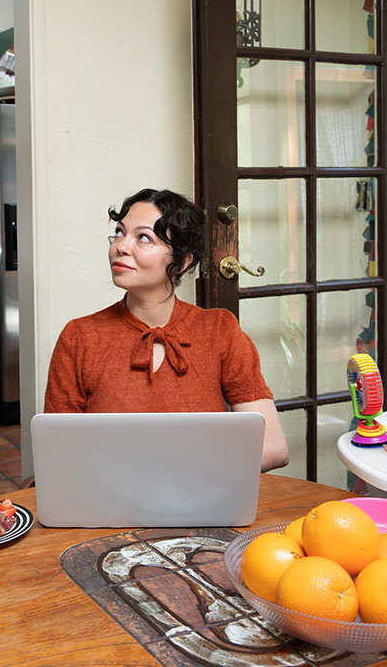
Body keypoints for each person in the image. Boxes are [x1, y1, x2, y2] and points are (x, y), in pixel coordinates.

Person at [44, 188, 290, 472]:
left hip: (202, 501)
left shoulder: (219, 330)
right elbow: (58, 453)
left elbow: (272, 446)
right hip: (109, 508)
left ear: (182, 261)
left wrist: (182, 474)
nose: (121, 246)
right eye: (120, 232)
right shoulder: (79, 337)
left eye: (143, 237)